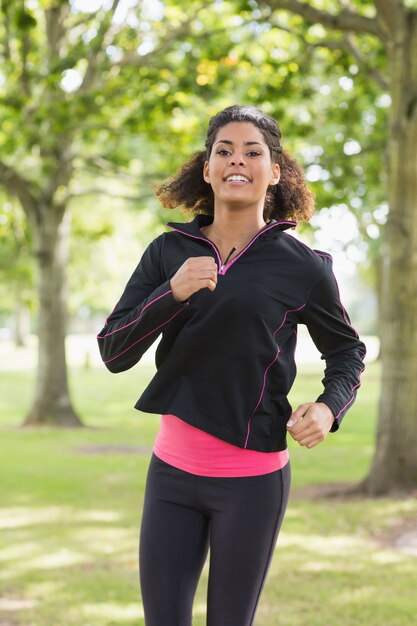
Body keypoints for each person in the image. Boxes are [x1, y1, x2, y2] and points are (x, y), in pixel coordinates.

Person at [97, 104, 366, 626]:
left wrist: (330, 407)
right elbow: (114, 350)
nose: (236, 161)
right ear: (207, 167)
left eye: (252, 152)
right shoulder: (167, 251)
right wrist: (171, 294)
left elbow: (348, 351)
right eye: (223, 150)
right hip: (171, 475)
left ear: (275, 170)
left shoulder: (303, 267)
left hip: (252, 483)